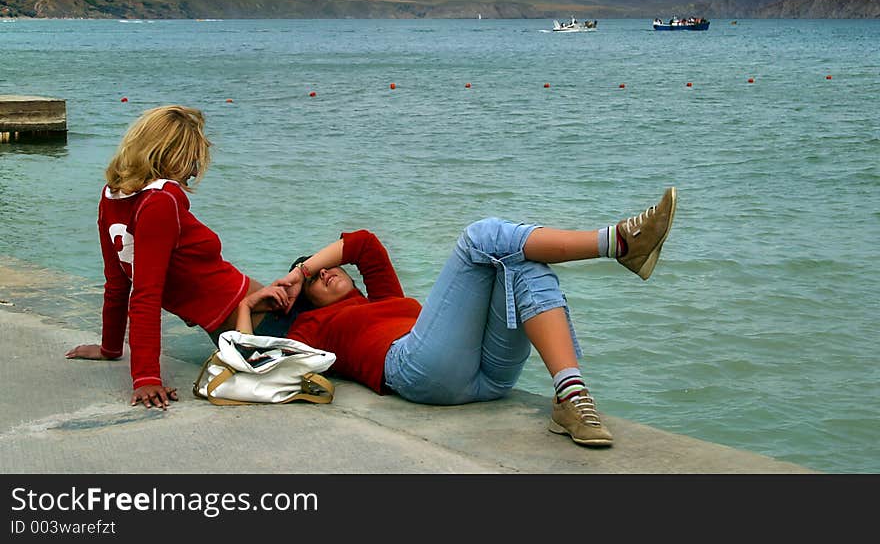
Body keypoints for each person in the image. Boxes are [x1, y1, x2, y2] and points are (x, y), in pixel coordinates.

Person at [237, 188, 677, 447]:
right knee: (481, 236)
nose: (327, 272)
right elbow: (252, 355)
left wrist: (301, 271)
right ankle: (618, 243)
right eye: (316, 281)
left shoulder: (382, 296)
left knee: (524, 263)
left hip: (489, 378)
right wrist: (248, 306)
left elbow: (363, 244)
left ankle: (570, 398)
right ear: (305, 304)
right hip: (416, 372)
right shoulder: (314, 328)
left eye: (325, 267)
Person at [65, 105, 295, 410]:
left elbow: (119, 283)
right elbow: (143, 294)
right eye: (193, 159)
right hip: (261, 324)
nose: (195, 170)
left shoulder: (113, 197)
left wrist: (111, 347)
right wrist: (146, 378)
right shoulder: (160, 201)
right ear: (172, 154)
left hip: (256, 313)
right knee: (353, 337)